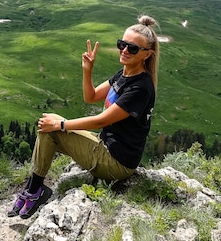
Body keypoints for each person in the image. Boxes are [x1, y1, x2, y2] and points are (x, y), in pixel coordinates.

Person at [8, 15, 160, 218]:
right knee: (50, 122)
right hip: (107, 148)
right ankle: (35, 189)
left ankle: (35, 190)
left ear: (147, 55)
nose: (124, 50)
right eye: (122, 44)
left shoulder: (141, 87)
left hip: (116, 164)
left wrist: (60, 125)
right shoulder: (124, 74)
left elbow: (102, 120)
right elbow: (91, 97)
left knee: (52, 128)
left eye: (132, 48)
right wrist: (87, 70)